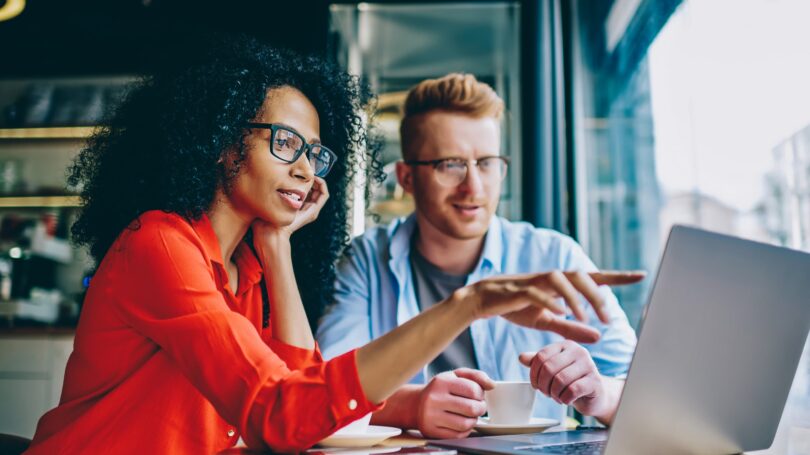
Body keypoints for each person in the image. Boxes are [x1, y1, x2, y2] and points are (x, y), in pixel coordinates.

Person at [23, 39, 640, 454]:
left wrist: (276, 246)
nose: (305, 169)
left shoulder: (247, 269)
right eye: (285, 143)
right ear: (221, 141)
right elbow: (280, 413)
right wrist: (468, 305)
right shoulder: (160, 244)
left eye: (314, 153)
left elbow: (302, 394)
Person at [316, 73, 640, 439]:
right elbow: (324, 392)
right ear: (407, 178)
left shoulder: (554, 256)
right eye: (450, 164)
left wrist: (599, 394)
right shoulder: (367, 259)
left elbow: (644, 392)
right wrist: (411, 406)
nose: (473, 187)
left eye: (486, 163)